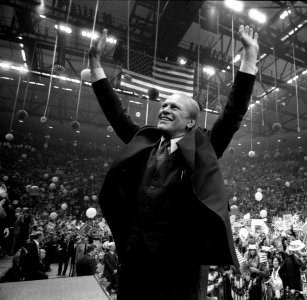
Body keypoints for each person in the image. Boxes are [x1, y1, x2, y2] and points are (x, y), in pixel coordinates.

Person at [87, 23, 258, 299]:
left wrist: (249, 57)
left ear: (191, 122)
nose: (164, 109)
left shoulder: (205, 147)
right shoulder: (145, 141)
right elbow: (115, 113)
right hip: (134, 261)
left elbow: (233, 111)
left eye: (173, 107)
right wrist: (95, 64)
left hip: (180, 267)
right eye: (163, 105)